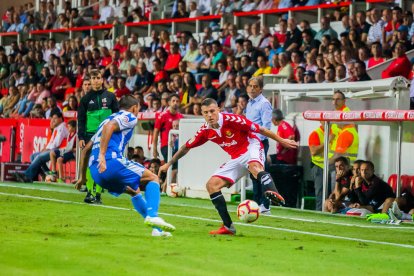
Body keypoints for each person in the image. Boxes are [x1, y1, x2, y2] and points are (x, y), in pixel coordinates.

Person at [158, 98, 298, 235]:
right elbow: (185, 147)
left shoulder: (232, 120)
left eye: (212, 111)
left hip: (251, 147)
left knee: (255, 168)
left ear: (218, 109)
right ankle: (228, 226)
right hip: (236, 158)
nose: (209, 115)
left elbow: (260, 129)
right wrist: (169, 164)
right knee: (211, 185)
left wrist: (282, 140)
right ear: (202, 113)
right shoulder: (205, 131)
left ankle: (272, 191)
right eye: (206, 112)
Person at [75, 95, 175, 237]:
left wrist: (81, 178)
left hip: (96, 173)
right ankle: (152, 215)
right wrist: (102, 155)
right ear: (134, 108)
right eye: (138, 109)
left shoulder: (104, 121)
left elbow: (85, 151)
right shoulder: (129, 116)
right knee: (153, 178)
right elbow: (110, 128)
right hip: (111, 163)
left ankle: (157, 231)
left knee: (134, 191)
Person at [76, 69, 119, 204]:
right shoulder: (85, 99)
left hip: (106, 134)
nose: (95, 80)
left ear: (102, 80)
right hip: (90, 134)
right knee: (91, 163)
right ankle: (90, 192)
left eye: (98, 78)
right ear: (90, 80)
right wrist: (81, 137)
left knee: (102, 162)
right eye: (93, 78)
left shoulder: (111, 96)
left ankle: (98, 194)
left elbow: (117, 116)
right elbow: (81, 120)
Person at [15, 112, 68, 182]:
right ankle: (39, 176)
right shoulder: (56, 128)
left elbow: (57, 143)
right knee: (33, 156)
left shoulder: (62, 127)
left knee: (39, 157)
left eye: (55, 118)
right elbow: (52, 142)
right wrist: (46, 149)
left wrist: (47, 149)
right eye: (52, 118)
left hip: (59, 151)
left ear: (61, 119)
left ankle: (27, 175)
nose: (53, 120)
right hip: (53, 150)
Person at [245, 77, 273, 214]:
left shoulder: (264, 103)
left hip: (260, 142)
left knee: (260, 172)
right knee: (253, 173)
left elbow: (266, 126)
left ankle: (266, 204)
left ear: (261, 88)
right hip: (251, 142)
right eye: (250, 86)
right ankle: (256, 203)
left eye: (255, 86)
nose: (252, 88)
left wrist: (257, 141)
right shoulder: (249, 103)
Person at [152, 94, 184, 163]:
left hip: (178, 146)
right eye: (173, 101)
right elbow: (156, 132)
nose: (175, 103)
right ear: (169, 103)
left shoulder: (181, 117)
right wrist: (154, 148)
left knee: (176, 169)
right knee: (170, 167)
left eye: (177, 101)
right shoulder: (162, 116)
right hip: (166, 146)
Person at [308, 122, 332, 211]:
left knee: (330, 195)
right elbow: (313, 151)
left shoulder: (334, 132)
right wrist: (327, 141)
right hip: (319, 167)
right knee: (321, 195)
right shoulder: (316, 134)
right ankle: (319, 213)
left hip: (331, 167)